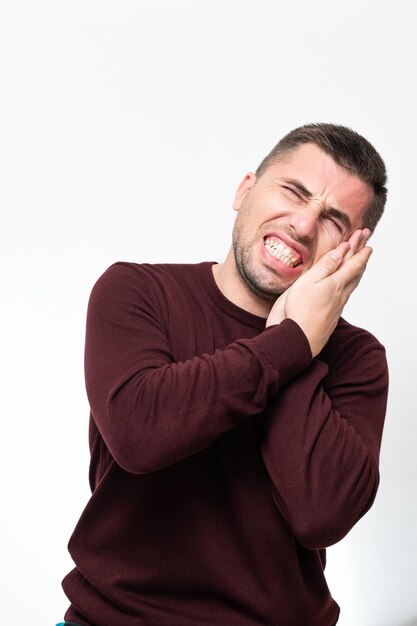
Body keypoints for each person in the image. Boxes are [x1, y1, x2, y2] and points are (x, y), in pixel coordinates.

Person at [58, 123, 389, 626]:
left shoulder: (356, 357)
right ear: (245, 190)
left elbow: (323, 513)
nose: (302, 225)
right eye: (293, 192)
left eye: (334, 221)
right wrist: (291, 341)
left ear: (353, 256)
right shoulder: (138, 291)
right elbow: (139, 434)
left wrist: (301, 343)